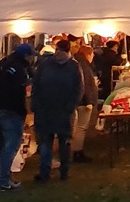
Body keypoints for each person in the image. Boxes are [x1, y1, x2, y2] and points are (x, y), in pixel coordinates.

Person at [31, 39, 83, 183]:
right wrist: (71, 106)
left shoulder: (45, 64)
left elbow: (36, 86)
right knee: (64, 142)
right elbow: (79, 89)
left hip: (45, 109)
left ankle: (45, 173)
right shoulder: (74, 66)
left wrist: (36, 105)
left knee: (46, 142)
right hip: (63, 110)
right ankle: (64, 172)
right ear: (69, 50)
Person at [0, 43, 35, 191]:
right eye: (31, 56)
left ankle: (6, 178)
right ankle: (4, 181)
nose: (32, 59)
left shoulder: (3, 64)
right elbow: (19, 90)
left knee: (3, 146)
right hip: (12, 112)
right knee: (11, 147)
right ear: (26, 56)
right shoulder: (19, 69)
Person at [71, 44, 98, 163]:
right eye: (92, 55)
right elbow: (85, 84)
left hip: (76, 99)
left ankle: (75, 150)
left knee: (77, 126)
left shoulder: (75, 62)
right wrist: (89, 101)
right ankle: (78, 152)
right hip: (83, 101)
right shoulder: (83, 65)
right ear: (88, 54)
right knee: (81, 127)